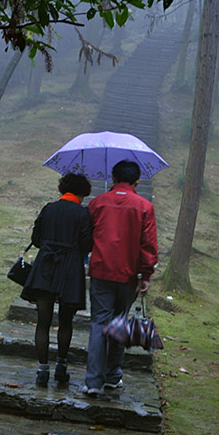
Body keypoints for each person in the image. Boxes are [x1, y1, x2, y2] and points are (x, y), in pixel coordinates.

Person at [83, 159, 158, 395]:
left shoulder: (97, 203)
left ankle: (93, 382)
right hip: (128, 276)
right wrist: (145, 274)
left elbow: (87, 236)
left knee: (98, 324)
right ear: (137, 181)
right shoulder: (144, 207)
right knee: (119, 323)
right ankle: (113, 375)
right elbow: (148, 245)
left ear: (113, 178)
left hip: (101, 271)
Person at [21, 173, 93, 387]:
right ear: (82, 193)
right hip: (69, 270)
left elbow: (35, 239)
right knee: (65, 322)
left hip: (45, 267)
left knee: (43, 321)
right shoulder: (82, 213)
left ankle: (42, 370)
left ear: (64, 189)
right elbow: (87, 245)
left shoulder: (48, 208)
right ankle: (61, 367)